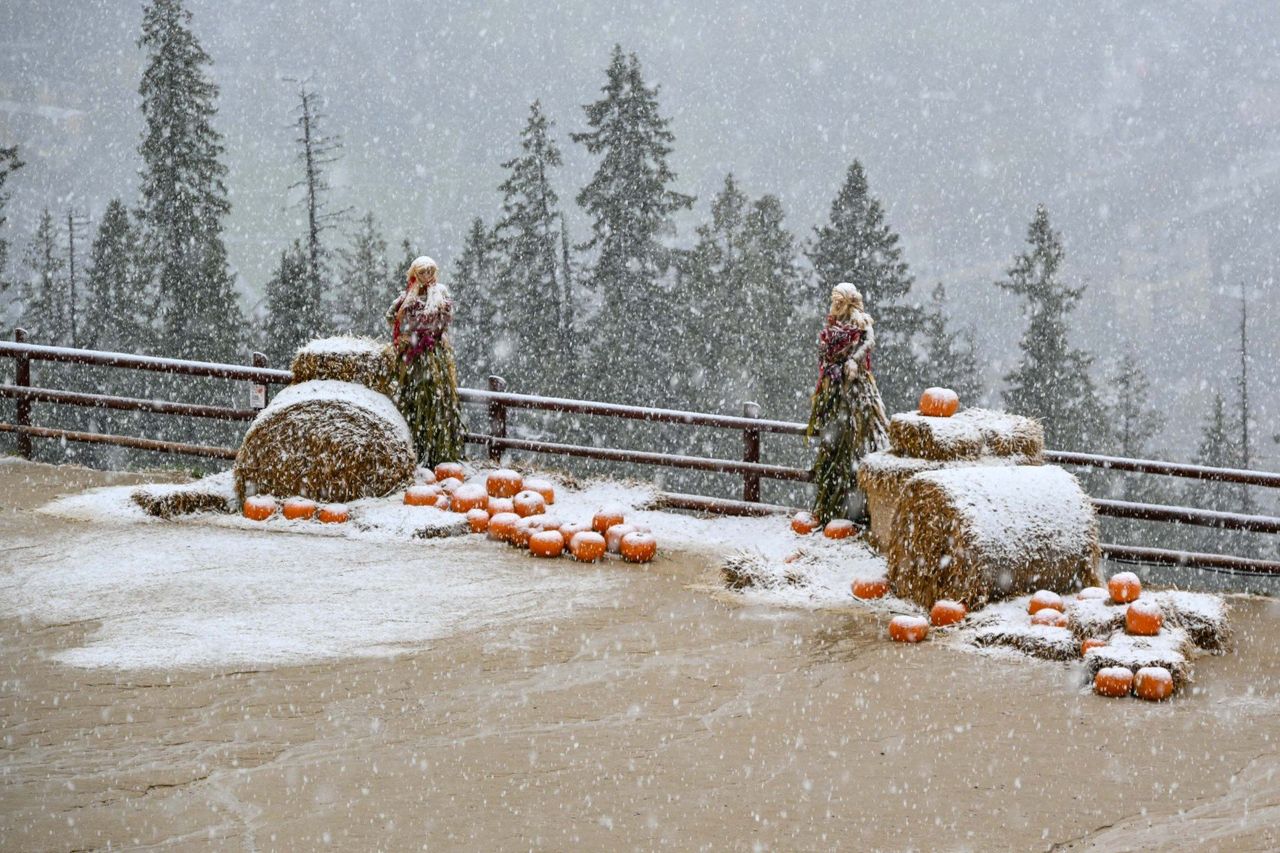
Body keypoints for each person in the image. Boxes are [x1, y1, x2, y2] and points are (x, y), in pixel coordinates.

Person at [806, 282, 890, 523]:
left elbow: (869, 341)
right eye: (833, 301)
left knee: (858, 435)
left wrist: (854, 360)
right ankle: (833, 503)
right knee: (835, 440)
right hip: (835, 385)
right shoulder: (833, 324)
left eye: (838, 301)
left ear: (847, 301)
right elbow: (825, 350)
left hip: (855, 387)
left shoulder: (858, 320)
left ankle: (857, 506)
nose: (834, 305)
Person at [387, 256, 465, 466]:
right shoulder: (407, 297)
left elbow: (447, 317)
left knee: (437, 400)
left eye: (430, 271)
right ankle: (414, 448)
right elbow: (391, 316)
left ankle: (438, 452)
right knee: (414, 397)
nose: (426, 276)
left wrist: (435, 333)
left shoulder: (440, 293)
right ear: (414, 274)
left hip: (434, 353)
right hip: (414, 355)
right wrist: (404, 336)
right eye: (422, 272)